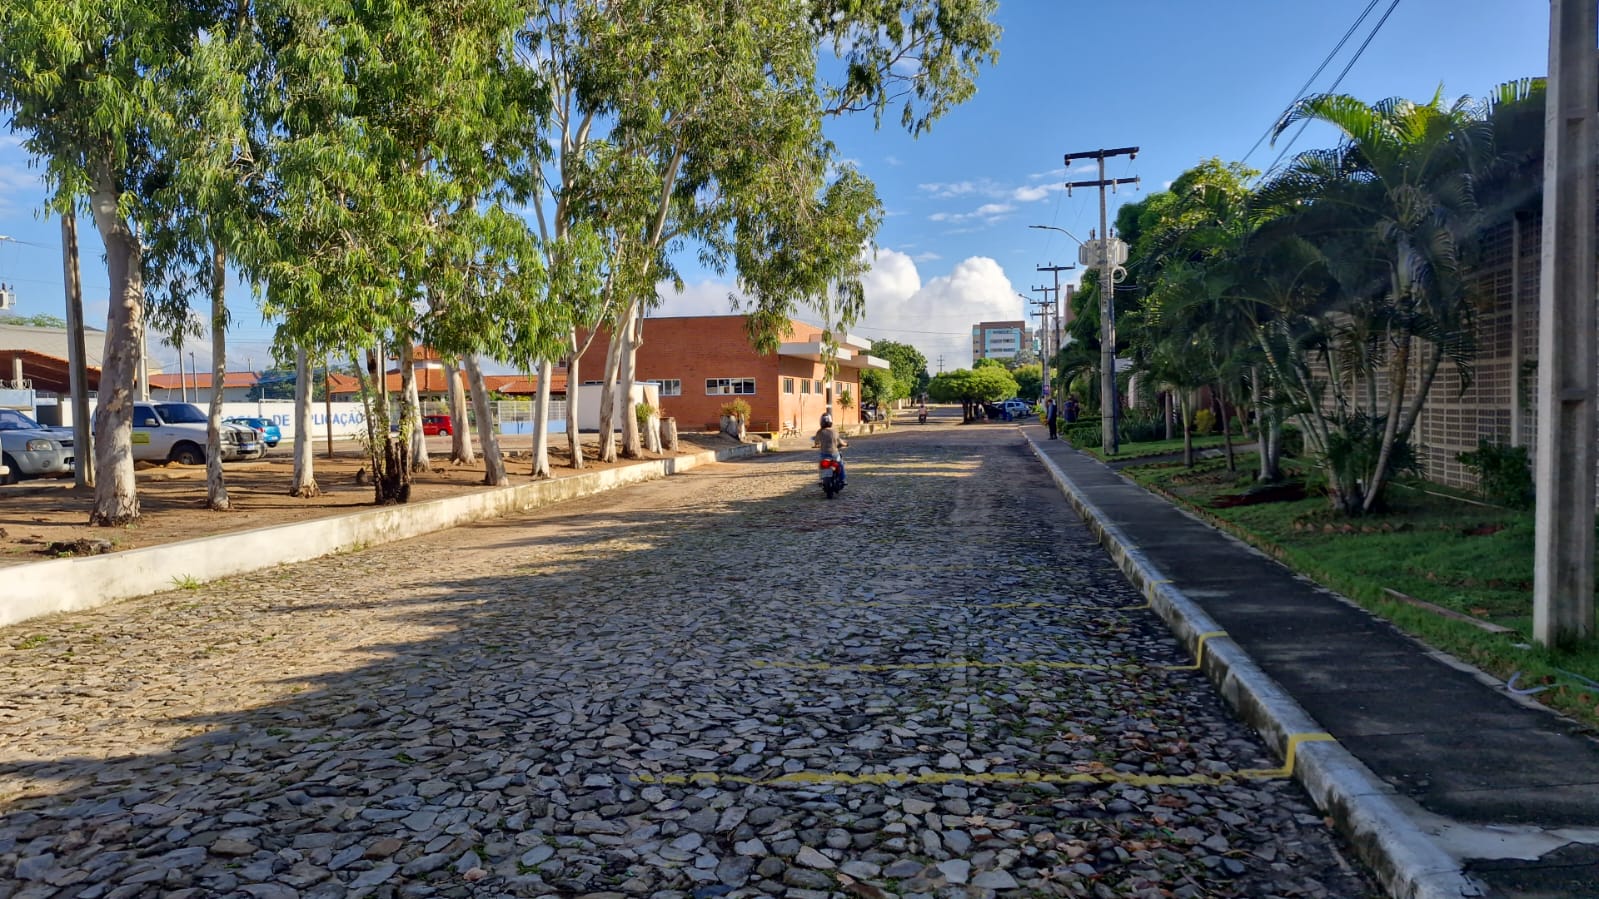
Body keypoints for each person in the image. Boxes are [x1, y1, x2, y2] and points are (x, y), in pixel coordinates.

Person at [813, 412, 847, 484]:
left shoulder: (819, 432)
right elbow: (840, 442)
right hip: (834, 454)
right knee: (840, 464)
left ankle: (821, 479)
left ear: (821, 422)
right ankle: (843, 479)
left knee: (821, 465)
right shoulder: (834, 431)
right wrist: (845, 444)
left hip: (824, 454)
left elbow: (816, 441)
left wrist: (816, 445)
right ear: (830, 421)